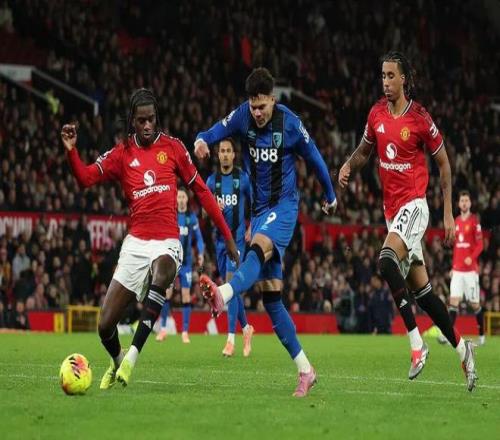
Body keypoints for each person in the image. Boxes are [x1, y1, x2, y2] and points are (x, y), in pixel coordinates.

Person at [61, 88, 238, 389]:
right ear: (132, 120)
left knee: (165, 268)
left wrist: (228, 236)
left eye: (151, 120)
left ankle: (131, 358)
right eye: (141, 120)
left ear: (157, 119)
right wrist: (71, 151)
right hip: (135, 244)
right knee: (104, 326)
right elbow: (85, 178)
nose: (147, 126)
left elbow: (202, 191)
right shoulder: (121, 153)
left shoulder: (173, 147)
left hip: (167, 240)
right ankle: (118, 360)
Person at [338, 51, 477, 391]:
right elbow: (364, 151)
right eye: (382, 76)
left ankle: (417, 345)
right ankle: (464, 350)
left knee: (386, 261)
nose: (385, 82)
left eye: (391, 76)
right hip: (392, 213)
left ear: (404, 79)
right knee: (424, 294)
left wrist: (447, 212)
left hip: (415, 206)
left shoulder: (419, 118)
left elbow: (444, 164)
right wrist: (348, 165)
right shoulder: (376, 114)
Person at [194, 68, 337, 397]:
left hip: (284, 206)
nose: (257, 113)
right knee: (272, 299)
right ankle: (306, 370)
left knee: (257, 248)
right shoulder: (243, 116)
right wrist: (201, 139)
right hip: (259, 212)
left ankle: (224, 293)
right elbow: (216, 130)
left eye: (262, 106)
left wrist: (330, 195)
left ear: (273, 100)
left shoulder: (290, 123)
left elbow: (314, 157)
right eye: (253, 106)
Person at [206, 138, 254, 357]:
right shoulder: (211, 181)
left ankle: (230, 340)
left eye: (228, 151)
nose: (225, 154)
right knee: (231, 288)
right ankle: (246, 328)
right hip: (219, 241)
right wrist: (213, 208)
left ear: (234, 155)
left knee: (230, 283)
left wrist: (251, 227)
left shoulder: (242, 179)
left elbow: (255, 205)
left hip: (237, 241)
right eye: (222, 151)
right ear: (218, 155)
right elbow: (204, 212)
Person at [156, 187, 205, 344]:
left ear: (187, 199)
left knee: (185, 295)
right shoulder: (172, 216)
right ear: (176, 199)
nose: (181, 200)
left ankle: (184, 332)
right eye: (179, 197)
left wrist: (201, 253)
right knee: (167, 293)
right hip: (171, 262)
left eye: (184, 197)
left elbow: (199, 239)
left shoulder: (192, 217)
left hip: (186, 264)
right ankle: (163, 329)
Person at [445, 190, 484, 344]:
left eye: (466, 200)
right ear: (459, 203)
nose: (464, 203)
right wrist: (453, 267)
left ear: (470, 203)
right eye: (462, 201)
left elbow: (480, 245)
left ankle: (481, 336)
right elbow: (456, 248)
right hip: (457, 270)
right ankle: (449, 336)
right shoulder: (456, 221)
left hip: (470, 271)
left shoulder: (474, 221)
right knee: (453, 301)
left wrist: (471, 258)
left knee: (475, 304)